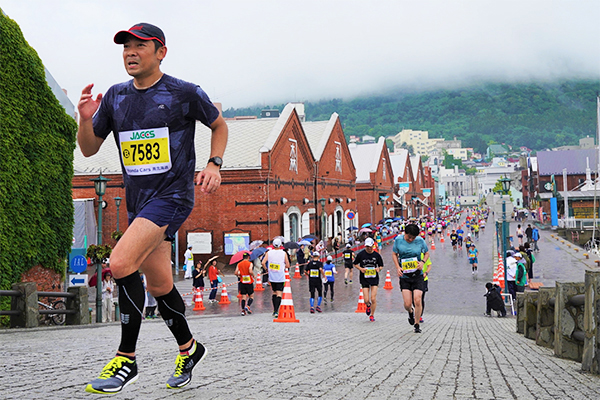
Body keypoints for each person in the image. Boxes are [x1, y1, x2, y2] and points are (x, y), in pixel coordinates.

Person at [79, 23, 228, 393]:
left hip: (172, 197)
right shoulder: (115, 97)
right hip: (138, 202)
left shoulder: (184, 93)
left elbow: (219, 125)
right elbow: (88, 149)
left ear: (160, 51)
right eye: (125, 47)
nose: (130, 52)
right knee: (160, 283)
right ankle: (189, 348)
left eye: (139, 46)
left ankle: (126, 359)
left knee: (120, 263)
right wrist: (85, 119)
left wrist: (214, 164)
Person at [392, 224, 429, 333]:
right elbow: (394, 254)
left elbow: (426, 253)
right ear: (405, 233)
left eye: (413, 238)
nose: (411, 239)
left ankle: (417, 324)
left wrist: (422, 262)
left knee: (417, 299)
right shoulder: (398, 240)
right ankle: (410, 312)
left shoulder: (420, 241)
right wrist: (398, 267)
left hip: (417, 274)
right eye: (409, 237)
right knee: (407, 304)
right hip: (405, 275)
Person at [353, 237, 384, 322]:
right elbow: (355, 264)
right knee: (366, 299)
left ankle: (372, 315)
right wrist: (361, 269)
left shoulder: (376, 255)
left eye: (370, 246)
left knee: (373, 298)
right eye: (367, 246)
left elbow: (381, 265)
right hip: (364, 278)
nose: (369, 248)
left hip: (374, 278)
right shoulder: (361, 254)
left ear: (373, 246)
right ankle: (368, 305)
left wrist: (379, 269)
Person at [262, 238, 290, 317]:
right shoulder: (283, 253)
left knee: (274, 292)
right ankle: (277, 310)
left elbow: (263, 262)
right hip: (280, 276)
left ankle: (274, 310)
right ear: (281, 245)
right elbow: (288, 265)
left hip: (272, 276)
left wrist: (266, 269)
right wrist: (284, 266)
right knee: (279, 293)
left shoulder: (269, 253)